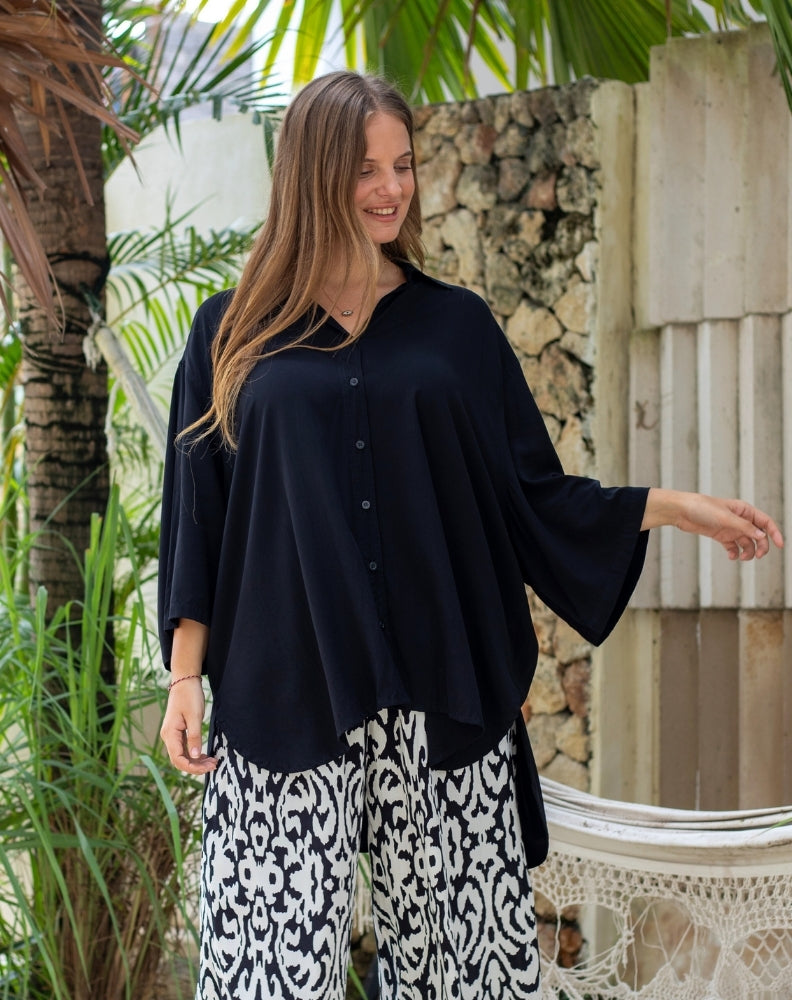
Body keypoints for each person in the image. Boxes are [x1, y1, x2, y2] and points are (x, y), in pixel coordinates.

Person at [158, 70, 784, 1000]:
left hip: (438, 697)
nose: (390, 188)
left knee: (465, 976)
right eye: (366, 169)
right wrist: (183, 681)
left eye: (402, 164)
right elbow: (198, 515)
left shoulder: (457, 330)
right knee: (266, 974)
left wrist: (673, 507)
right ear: (311, 175)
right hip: (284, 693)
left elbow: (527, 496)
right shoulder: (233, 331)